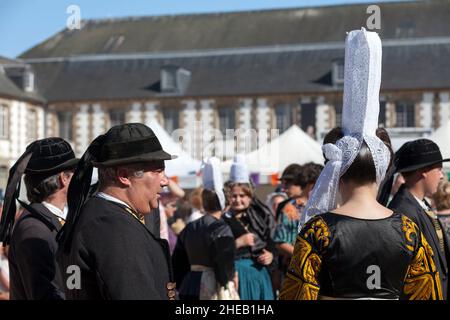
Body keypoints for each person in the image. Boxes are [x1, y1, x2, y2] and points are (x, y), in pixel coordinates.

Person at [280, 29, 442, 300]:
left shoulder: (319, 231)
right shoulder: (408, 230)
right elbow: (428, 294)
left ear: (337, 172)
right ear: (382, 170)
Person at [57, 123, 177, 300]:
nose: (165, 181)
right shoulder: (113, 227)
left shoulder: (101, 216)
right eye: (158, 171)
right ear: (124, 176)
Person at [0, 137, 78, 300]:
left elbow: (72, 280)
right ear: (63, 178)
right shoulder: (33, 229)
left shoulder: (54, 219)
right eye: (74, 175)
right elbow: (45, 294)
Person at [388, 139, 450, 299]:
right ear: (424, 171)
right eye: (439, 170)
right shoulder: (402, 210)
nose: (441, 176)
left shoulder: (420, 205)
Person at [172, 157, 238, 300]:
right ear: (224, 203)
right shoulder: (220, 228)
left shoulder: (189, 227)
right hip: (212, 285)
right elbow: (223, 261)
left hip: (190, 283)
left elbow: (177, 262)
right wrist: (229, 280)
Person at [223, 155, 276, 300]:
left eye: (242, 195)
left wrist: (270, 256)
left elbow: (272, 242)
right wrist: (239, 242)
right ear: (228, 197)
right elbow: (218, 251)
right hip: (237, 275)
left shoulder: (261, 217)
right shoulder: (223, 220)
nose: (238, 200)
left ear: (249, 197)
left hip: (260, 274)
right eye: (234, 196)